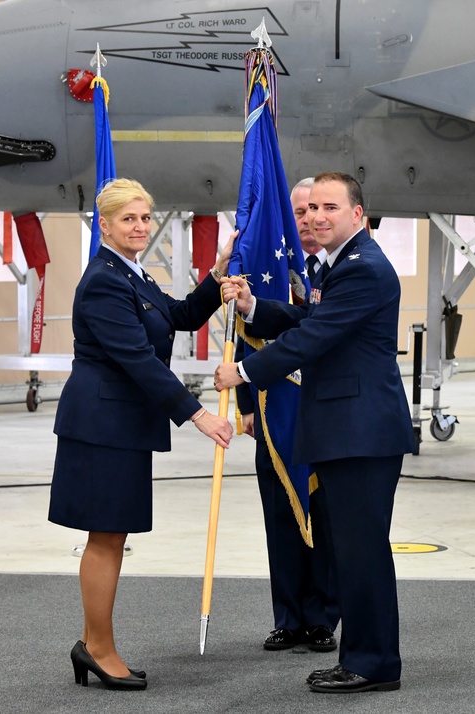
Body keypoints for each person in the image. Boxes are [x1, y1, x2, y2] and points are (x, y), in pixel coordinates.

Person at [215, 171, 416, 693]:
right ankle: (365, 657)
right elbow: (309, 314)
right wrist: (255, 308)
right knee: (353, 550)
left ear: (358, 214)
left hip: (361, 431)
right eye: (309, 210)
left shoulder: (363, 268)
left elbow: (315, 335)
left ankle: (372, 664)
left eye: (329, 208)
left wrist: (242, 372)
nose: (315, 217)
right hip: (348, 428)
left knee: (361, 550)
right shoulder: (342, 264)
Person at [48, 177, 235, 691]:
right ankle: (98, 649)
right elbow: (136, 359)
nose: (139, 226)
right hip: (103, 425)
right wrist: (198, 415)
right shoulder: (106, 279)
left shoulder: (130, 273)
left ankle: (93, 644)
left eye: (145, 218)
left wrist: (216, 278)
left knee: (112, 534)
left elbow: (173, 317)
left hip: (120, 423)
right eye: (128, 218)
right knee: (106, 537)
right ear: (104, 225)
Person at [234, 176, 339, 654]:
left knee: (323, 517)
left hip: (320, 414)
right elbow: (246, 333)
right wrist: (245, 404)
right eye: (298, 212)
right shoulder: (269, 266)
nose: (308, 220)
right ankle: (287, 617)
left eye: (316, 209)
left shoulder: (333, 268)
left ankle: (321, 618)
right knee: (279, 517)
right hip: (272, 409)